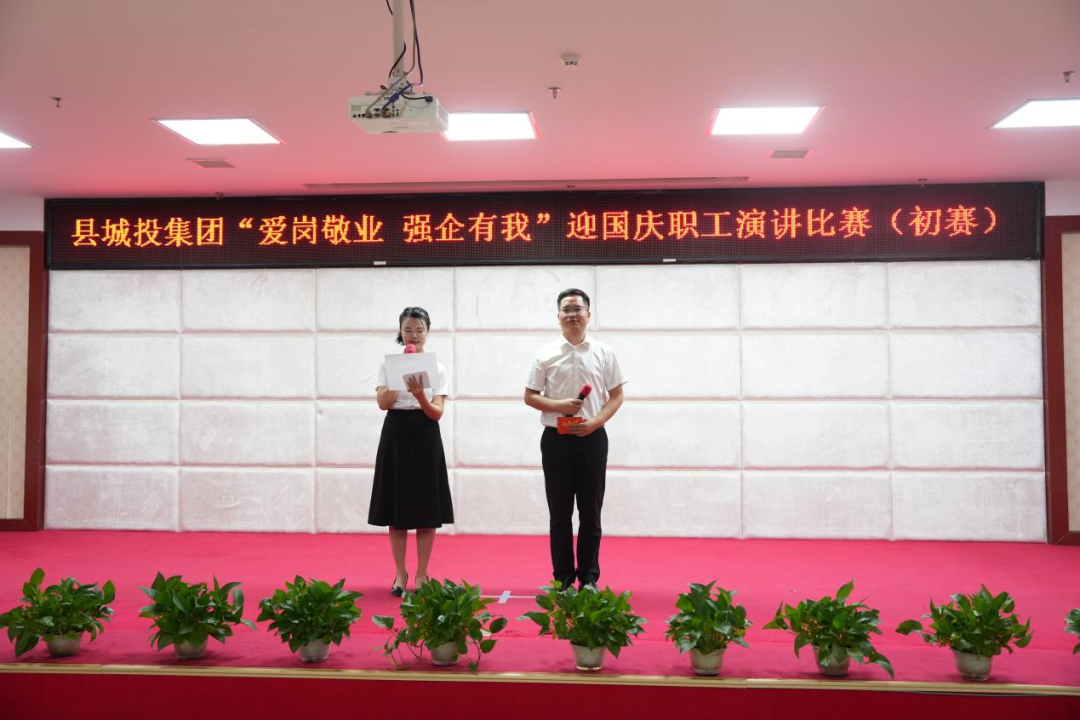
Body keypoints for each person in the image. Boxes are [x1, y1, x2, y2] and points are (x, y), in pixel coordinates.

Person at [524, 288, 626, 591]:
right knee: (560, 513)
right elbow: (530, 396)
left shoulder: (604, 353)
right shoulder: (545, 354)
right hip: (556, 440)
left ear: (588, 315)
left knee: (591, 512)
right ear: (558, 316)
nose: (572, 314)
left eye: (578, 309)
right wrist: (559, 406)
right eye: (566, 309)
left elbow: (617, 396)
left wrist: (596, 422)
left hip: (592, 439)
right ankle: (564, 578)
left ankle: (589, 577)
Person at [369, 306, 454, 596]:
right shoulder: (387, 364)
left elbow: (437, 413)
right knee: (397, 509)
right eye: (408, 330)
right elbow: (383, 403)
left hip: (425, 433)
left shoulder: (438, 368)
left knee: (427, 509)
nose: (414, 335)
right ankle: (400, 572)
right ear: (400, 332)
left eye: (419, 330)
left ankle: (422, 573)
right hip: (395, 433)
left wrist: (420, 395)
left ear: (428, 332)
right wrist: (399, 376)